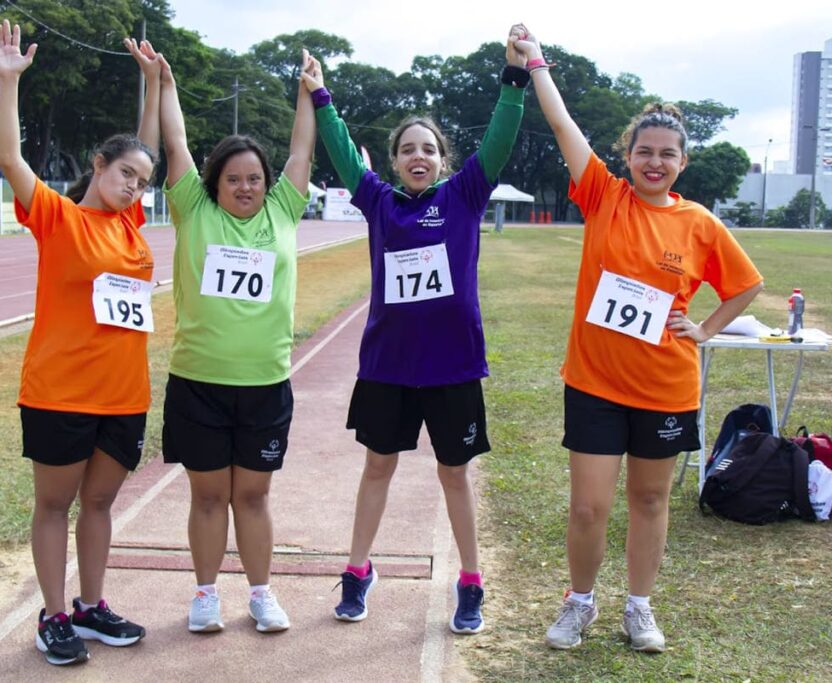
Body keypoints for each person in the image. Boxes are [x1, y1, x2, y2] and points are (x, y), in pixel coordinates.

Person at [510, 26, 763, 653]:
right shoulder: (602, 196)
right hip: (595, 384)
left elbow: (745, 286)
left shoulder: (699, 222)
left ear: (683, 161)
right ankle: (580, 603)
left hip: (665, 384)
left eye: (667, 154)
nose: (654, 161)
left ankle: (640, 608)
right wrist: (537, 63)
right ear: (629, 156)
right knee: (589, 508)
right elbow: (565, 125)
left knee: (650, 500)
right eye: (644, 151)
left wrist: (702, 329)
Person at [299, 29, 529, 635]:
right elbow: (345, 153)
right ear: (396, 160)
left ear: (442, 159)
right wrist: (322, 97)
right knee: (378, 467)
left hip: (452, 367)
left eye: (428, 148)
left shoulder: (465, 196)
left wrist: (513, 78)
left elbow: (500, 141)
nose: (418, 156)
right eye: (407, 150)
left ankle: (471, 582)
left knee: (454, 473)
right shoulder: (378, 201)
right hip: (389, 367)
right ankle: (357, 571)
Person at [0, 19, 160, 666]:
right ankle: (53, 614)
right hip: (61, 390)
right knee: (54, 502)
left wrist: (151, 85)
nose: (133, 186)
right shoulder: (58, 217)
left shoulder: (131, 222)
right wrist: (9, 83)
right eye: (124, 175)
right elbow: (10, 159)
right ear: (97, 165)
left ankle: (91, 606)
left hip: (123, 395)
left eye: (142, 182)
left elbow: (144, 150)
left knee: (98, 501)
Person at [155, 42, 314, 634]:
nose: (245, 187)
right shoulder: (194, 210)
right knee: (205, 498)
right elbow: (174, 144)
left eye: (254, 179)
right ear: (214, 183)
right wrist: (165, 86)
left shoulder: (282, 213)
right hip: (198, 383)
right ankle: (204, 596)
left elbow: (301, 149)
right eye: (233, 179)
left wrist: (306, 93)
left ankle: (262, 593)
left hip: (265, 385)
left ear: (267, 185)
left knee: (252, 497)